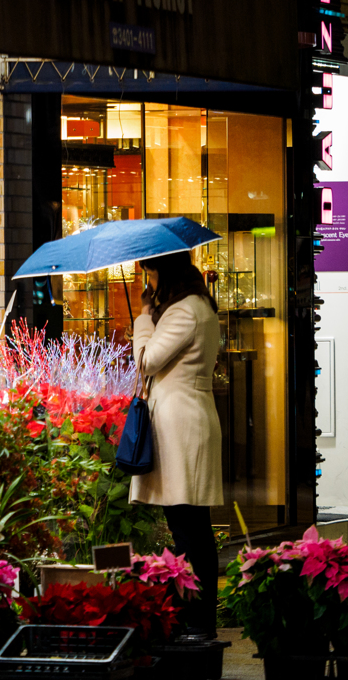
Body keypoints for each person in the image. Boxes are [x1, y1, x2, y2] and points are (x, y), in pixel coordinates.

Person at [130, 250, 223, 640]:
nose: (146, 280)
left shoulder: (184, 310)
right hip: (188, 419)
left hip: (180, 424)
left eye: (148, 271)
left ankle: (198, 621)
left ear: (159, 271)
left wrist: (141, 320)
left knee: (188, 529)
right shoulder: (198, 305)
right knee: (193, 527)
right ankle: (200, 620)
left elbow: (147, 360)